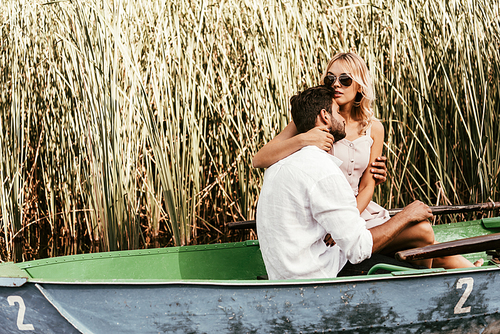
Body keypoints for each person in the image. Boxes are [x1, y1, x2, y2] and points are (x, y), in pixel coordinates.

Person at [253, 52, 481, 269]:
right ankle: (464, 272)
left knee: (422, 233)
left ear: (359, 86)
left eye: (345, 80)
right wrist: (303, 139)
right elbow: (259, 159)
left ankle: (462, 271)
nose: (336, 85)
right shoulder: (318, 118)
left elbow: (368, 185)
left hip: (360, 209)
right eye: (330, 78)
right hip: (328, 210)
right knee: (425, 236)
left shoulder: (374, 127)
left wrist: (350, 218)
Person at [256, 85, 434, 280]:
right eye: (338, 111)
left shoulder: (276, 164)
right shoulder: (322, 168)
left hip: (287, 275)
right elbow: (358, 249)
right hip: (319, 276)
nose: (342, 117)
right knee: (414, 268)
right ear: (325, 116)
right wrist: (406, 215)